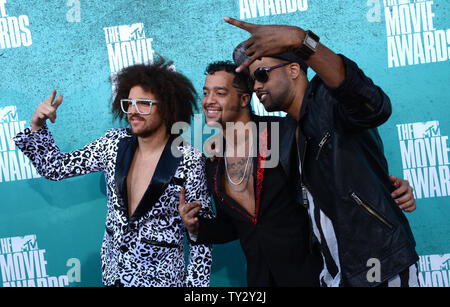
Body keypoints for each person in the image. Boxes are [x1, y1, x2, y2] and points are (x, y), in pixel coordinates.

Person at [179, 60, 417, 287]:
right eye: (206, 92)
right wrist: (197, 228)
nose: (209, 101)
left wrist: (392, 188)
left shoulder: (284, 134)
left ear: (244, 99)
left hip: (314, 274)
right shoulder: (213, 161)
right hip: (261, 279)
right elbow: (238, 226)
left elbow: (337, 168)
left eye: (219, 93)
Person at [225, 16, 419, 287]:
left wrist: (303, 41)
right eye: (251, 79)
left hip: (379, 268)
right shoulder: (286, 132)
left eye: (261, 74)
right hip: (333, 275)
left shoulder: (330, 102)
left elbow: (374, 105)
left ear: (294, 69)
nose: (256, 85)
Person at [13, 59, 214, 287]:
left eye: (144, 104)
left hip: (163, 281)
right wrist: (37, 125)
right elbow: (55, 167)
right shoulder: (113, 143)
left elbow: (202, 237)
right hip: (114, 277)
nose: (133, 111)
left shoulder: (189, 159)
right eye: (129, 103)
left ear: (168, 108)